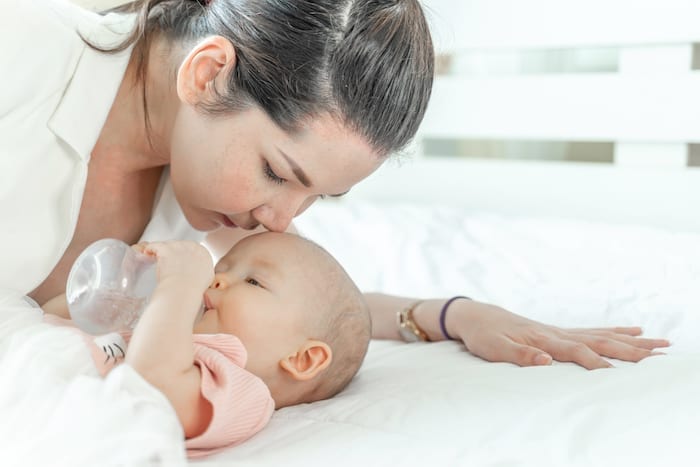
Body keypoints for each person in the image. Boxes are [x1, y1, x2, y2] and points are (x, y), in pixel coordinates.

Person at [0, 0, 667, 377]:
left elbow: (298, 308)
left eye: (319, 197)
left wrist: (454, 314)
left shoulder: (210, 184)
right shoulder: (21, 55)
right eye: (280, 174)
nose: (284, 220)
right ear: (207, 75)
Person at [43, 231, 371, 458]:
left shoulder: (246, 395)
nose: (216, 279)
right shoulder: (165, 331)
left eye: (254, 281)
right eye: (219, 269)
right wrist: (121, 284)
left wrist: (179, 285)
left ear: (303, 358)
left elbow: (150, 385)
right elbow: (49, 318)